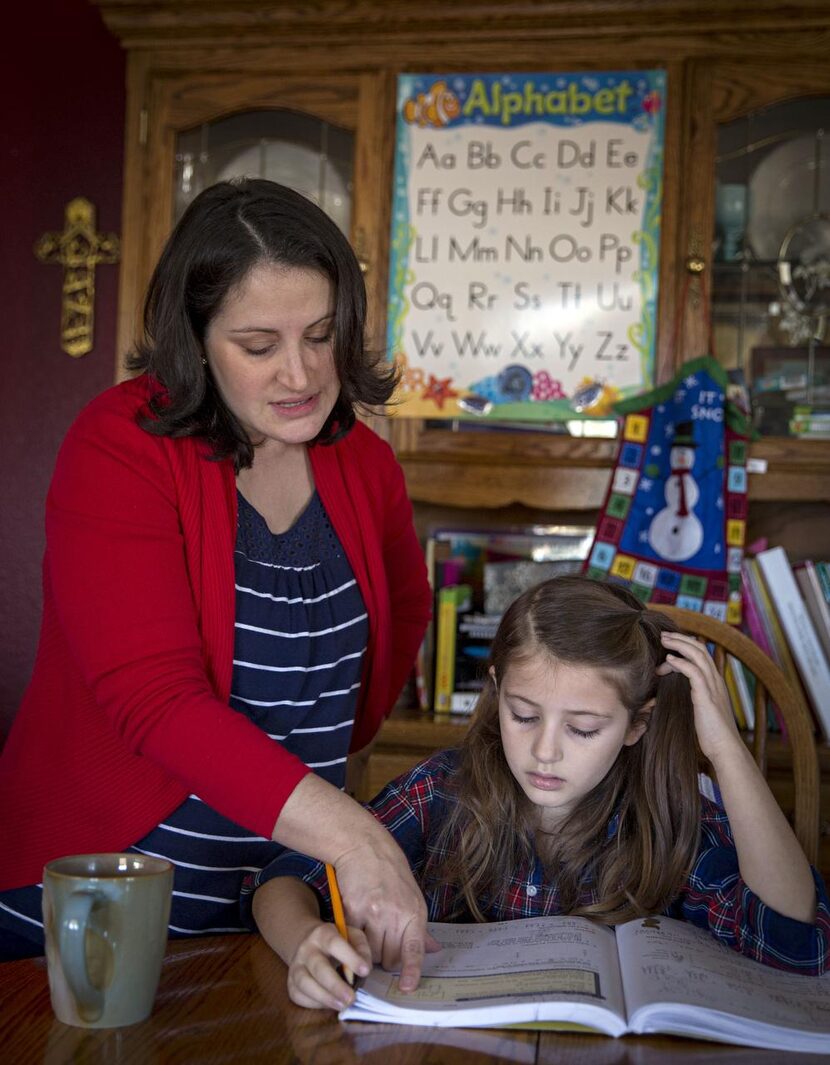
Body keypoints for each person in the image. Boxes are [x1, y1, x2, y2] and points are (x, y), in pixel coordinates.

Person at [0, 178, 433, 979]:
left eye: (323, 334)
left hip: (282, 906)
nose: (301, 374)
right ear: (196, 340)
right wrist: (354, 834)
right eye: (259, 345)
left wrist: (317, 834)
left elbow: (405, 612)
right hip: (98, 895)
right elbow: (157, 700)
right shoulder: (118, 448)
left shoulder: (366, 464)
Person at [249, 575, 830, 1010]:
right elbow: (283, 879)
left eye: (582, 729)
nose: (545, 752)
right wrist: (305, 942)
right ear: (498, 692)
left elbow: (798, 947)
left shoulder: (668, 818)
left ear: (636, 725)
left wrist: (725, 748)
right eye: (524, 715)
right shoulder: (443, 791)